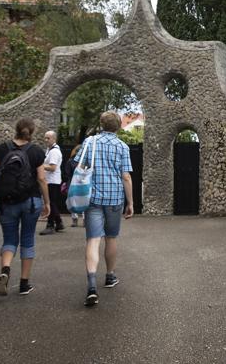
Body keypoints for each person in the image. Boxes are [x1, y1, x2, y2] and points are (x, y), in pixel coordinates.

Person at [75, 111, 134, 307]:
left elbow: (79, 167)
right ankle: (110, 276)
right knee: (111, 237)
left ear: (101, 124)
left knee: (93, 240)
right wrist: (130, 203)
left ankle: (91, 286)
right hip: (114, 199)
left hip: (92, 198)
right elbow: (126, 177)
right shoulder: (122, 147)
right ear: (118, 126)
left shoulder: (89, 142)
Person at [0, 118, 50, 296]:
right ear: (32, 132)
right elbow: (41, 179)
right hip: (30, 202)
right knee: (28, 240)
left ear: (15, 130)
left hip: (5, 202)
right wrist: (47, 202)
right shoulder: (36, 152)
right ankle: (24, 284)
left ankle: (5, 270)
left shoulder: (1, 149)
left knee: (9, 240)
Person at [39, 131, 64, 235]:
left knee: (50, 203)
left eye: (48, 138)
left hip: (52, 181)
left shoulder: (54, 152)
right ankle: (58, 222)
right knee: (52, 203)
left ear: (54, 139)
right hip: (52, 180)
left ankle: (50, 226)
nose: (46, 140)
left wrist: (40, 166)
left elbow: (53, 167)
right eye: (45, 138)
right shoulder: (50, 150)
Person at [64, 144, 82, 227]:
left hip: (72, 183)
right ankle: (83, 219)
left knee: (73, 201)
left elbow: (67, 174)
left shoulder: (70, 161)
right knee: (83, 201)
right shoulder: (85, 161)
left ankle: (75, 219)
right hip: (82, 183)